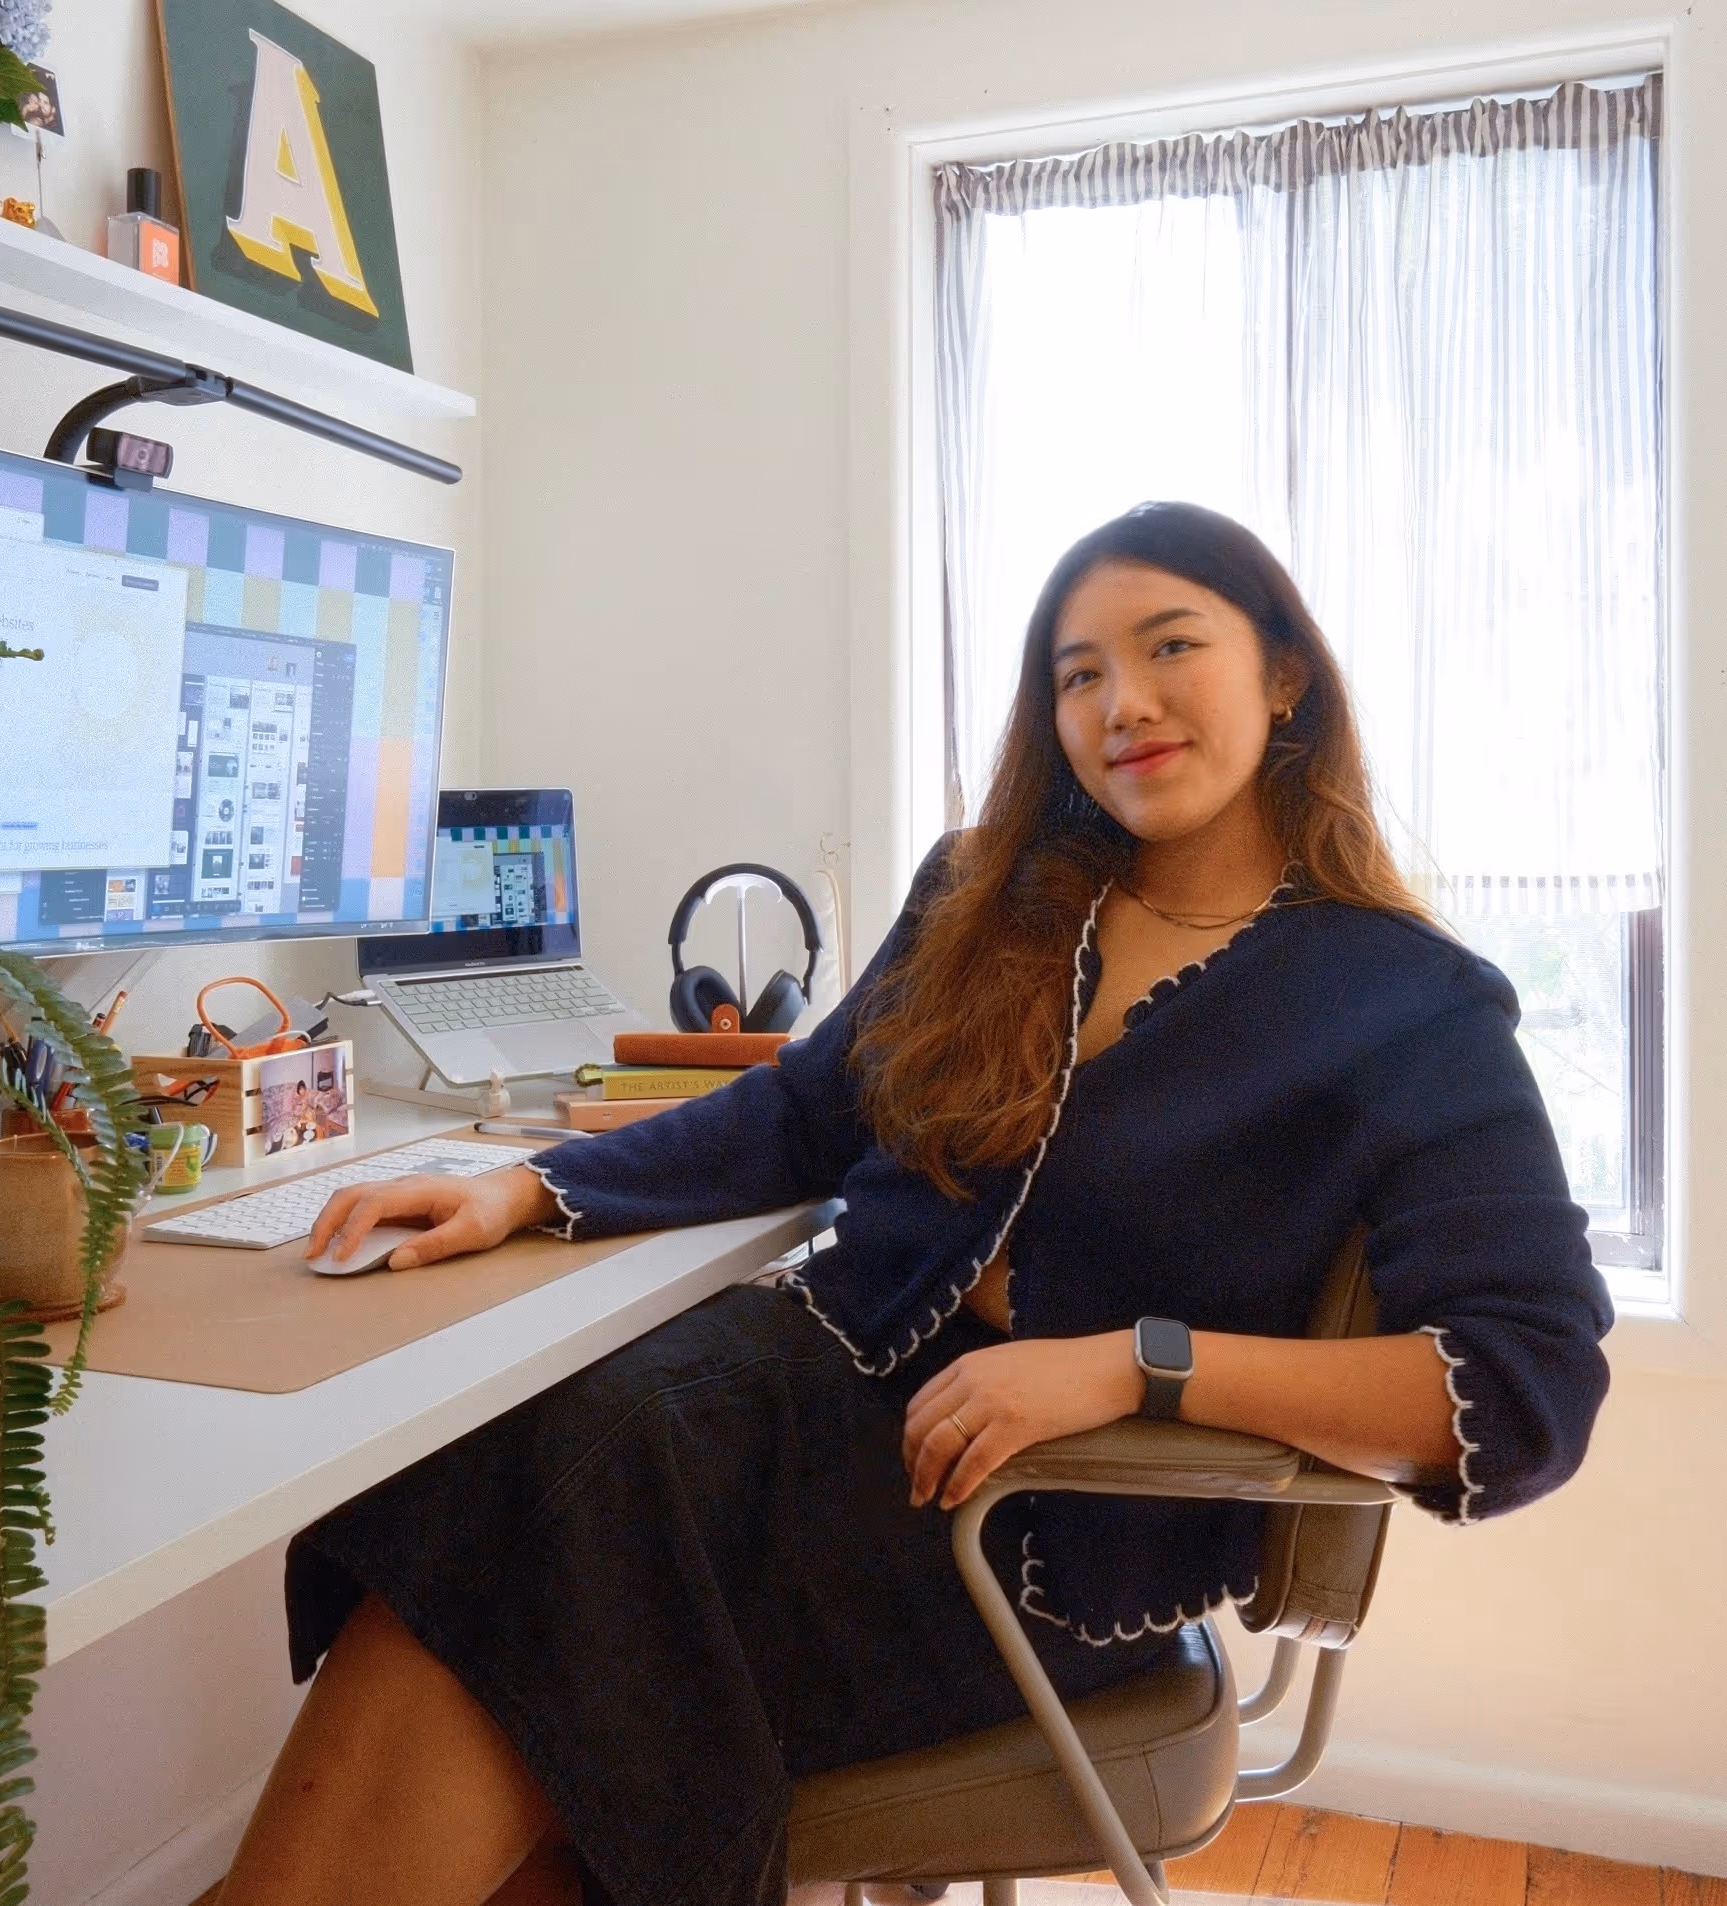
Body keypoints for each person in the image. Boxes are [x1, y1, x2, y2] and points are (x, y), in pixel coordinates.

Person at [217, 504, 1612, 1906]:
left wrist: (1135, 1363)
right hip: (806, 1415)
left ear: (1285, 673)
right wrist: (527, 1182)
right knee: (517, 1462)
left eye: (1168, 645)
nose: (1120, 702)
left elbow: (1521, 1381)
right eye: (1075, 673)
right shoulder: (988, 890)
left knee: (571, 1490)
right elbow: (802, 1109)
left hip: (1034, 1537)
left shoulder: (1404, 1003)